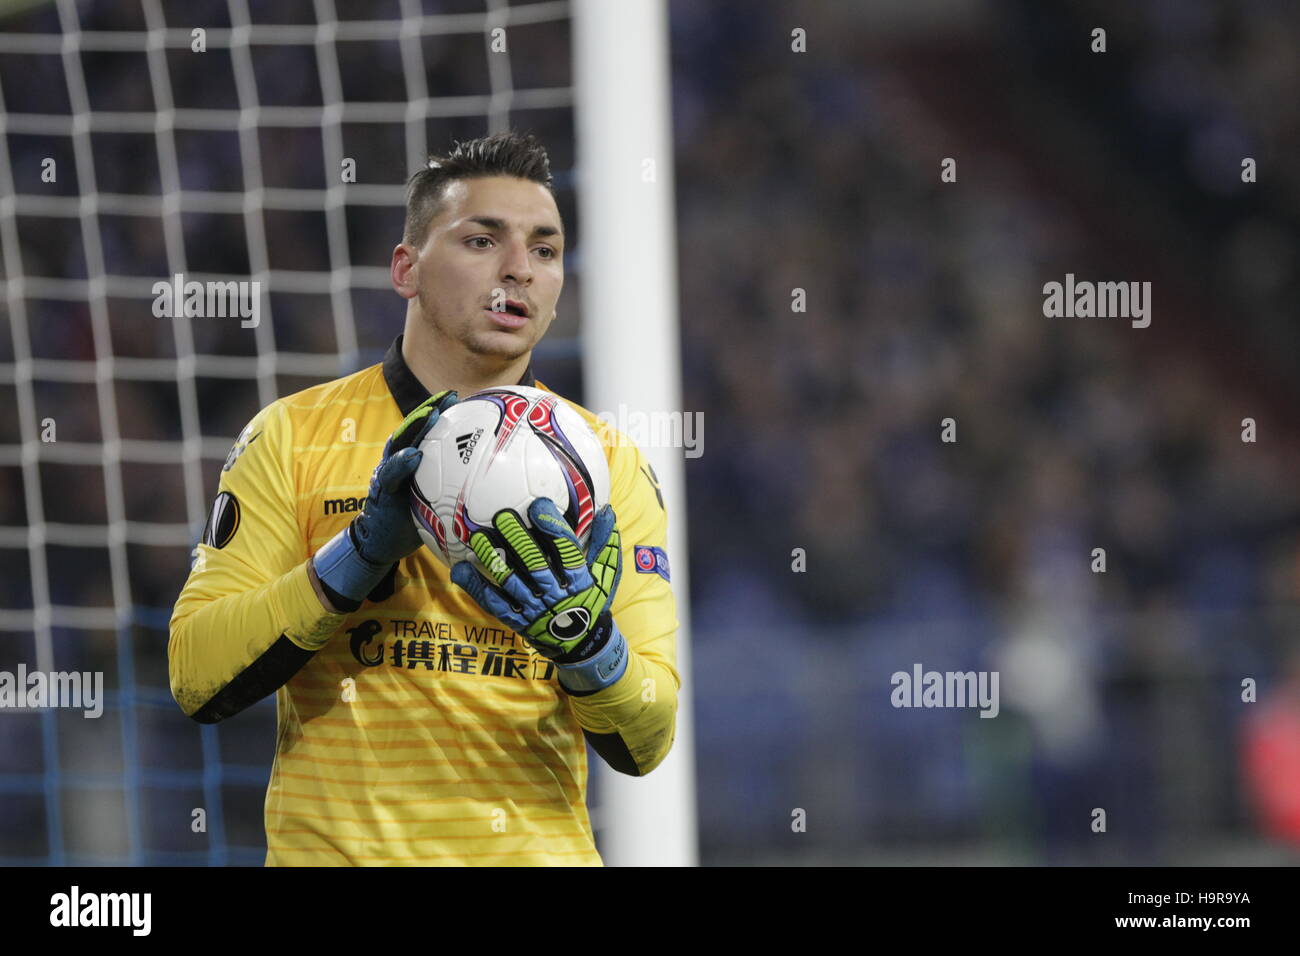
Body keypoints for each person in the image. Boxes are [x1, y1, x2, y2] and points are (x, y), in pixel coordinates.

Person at [168, 131, 680, 866]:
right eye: (482, 241)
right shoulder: (293, 436)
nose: (519, 270)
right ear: (406, 269)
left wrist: (591, 647)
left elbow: (648, 737)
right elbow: (195, 676)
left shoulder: (608, 466)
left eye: (544, 249)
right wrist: (356, 558)